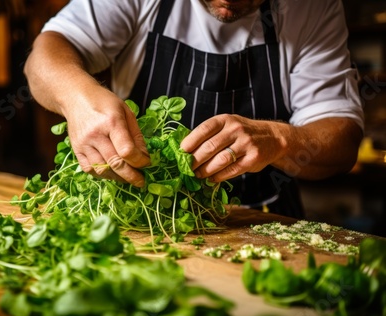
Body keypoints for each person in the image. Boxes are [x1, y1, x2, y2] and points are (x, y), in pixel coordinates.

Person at [23, 0, 364, 218]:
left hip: (263, 220)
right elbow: (46, 53)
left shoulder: (312, 8)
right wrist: (78, 97)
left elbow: (343, 142)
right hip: (139, 216)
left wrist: (280, 138)